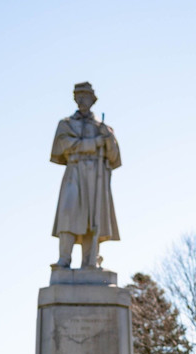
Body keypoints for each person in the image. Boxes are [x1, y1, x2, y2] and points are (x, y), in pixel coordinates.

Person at [50, 81, 120, 269]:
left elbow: (114, 157)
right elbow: (64, 146)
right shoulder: (66, 124)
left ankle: (90, 261)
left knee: (93, 218)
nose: (82, 100)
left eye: (85, 96)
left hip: (96, 175)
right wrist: (94, 143)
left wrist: (108, 140)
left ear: (92, 100)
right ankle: (64, 259)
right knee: (68, 214)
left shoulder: (102, 127)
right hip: (74, 171)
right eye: (78, 96)